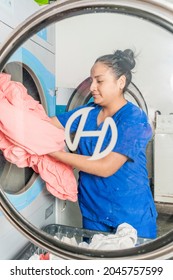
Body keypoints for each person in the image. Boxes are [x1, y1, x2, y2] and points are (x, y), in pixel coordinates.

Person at [49, 49, 158, 239]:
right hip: (94, 211)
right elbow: (47, 124)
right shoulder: (87, 112)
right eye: (91, 80)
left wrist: (53, 153)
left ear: (121, 82)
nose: (92, 87)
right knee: (96, 266)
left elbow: (106, 167)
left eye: (99, 81)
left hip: (130, 213)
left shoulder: (134, 118)